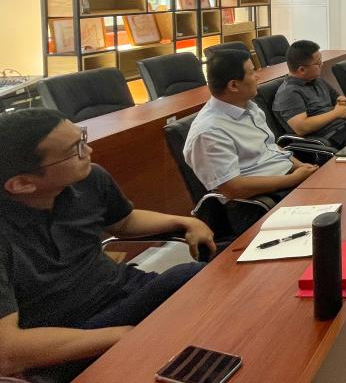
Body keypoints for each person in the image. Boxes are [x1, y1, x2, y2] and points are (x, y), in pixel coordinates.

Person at [0, 108, 214, 382]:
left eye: (82, 137)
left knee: (207, 286)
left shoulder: (89, 179)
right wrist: (125, 335)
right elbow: (7, 351)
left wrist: (185, 222)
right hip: (72, 334)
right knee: (189, 288)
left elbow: (123, 221)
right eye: (75, 150)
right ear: (22, 184)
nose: (88, 150)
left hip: (124, 291)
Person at [184, 49, 319, 202]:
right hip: (262, 200)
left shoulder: (249, 106)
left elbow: (269, 146)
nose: (257, 76)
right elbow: (233, 189)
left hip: (287, 179)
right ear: (234, 85)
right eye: (252, 72)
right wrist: (293, 179)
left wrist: (300, 167)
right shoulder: (209, 132)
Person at [273, 40, 346, 148]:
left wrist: (342, 101)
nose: (322, 64)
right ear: (302, 69)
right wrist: (336, 113)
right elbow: (302, 127)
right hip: (332, 139)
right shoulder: (288, 93)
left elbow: (338, 98)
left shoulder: (316, 80)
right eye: (318, 63)